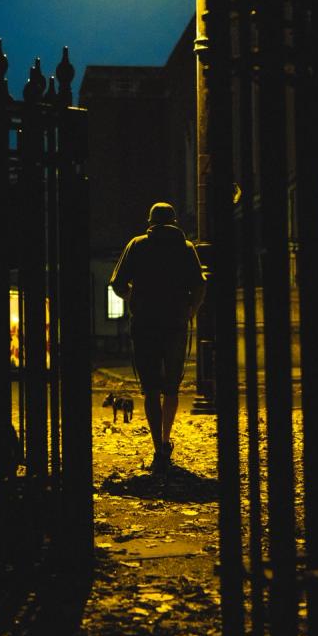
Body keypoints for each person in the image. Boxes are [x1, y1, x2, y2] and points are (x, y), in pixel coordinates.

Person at [109, 201, 206, 472]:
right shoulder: (186, 249)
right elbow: (199, 285)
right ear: (174, 221)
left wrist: (134, 299)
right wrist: (190, 310)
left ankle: (156, 446)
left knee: (150, 387)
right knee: (172, 386)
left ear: (150, 222)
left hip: (145, 323)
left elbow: (117, 283)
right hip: (175, 322)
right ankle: (166, 439)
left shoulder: (137, 245)